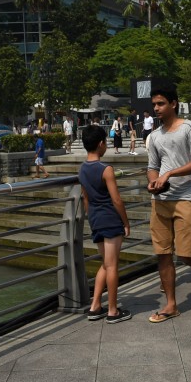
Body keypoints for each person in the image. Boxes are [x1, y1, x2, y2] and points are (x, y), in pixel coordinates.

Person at [146, 84, 191, 321]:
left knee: (186, 253)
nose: (156, 108)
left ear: (173, 103)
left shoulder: (190, 128)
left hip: (186, 197)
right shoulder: (154, 136)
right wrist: (154, 181)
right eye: (154, 104)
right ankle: (171, 305)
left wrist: (170, 175)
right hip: (160, 200)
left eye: (161, 103)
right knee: (163, 254)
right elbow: (152, 166)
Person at [78, 125, 132, 323]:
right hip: (110, 218)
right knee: (112, 265)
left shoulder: (82, 169)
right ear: (101, 144)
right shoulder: (105, 169)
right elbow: (116, 199)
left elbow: (86, 199)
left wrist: (90, 217)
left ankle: (95, 306)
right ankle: (112, 311)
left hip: (95, 219)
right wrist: (125, 222)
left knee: (105, 264)